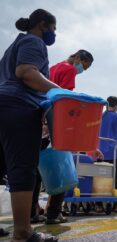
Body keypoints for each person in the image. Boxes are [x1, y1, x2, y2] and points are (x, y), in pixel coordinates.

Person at [0, 9, 59, 242]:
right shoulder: (33, 41)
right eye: (53, 29)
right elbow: (26, 73)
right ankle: (23, 233)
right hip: (19, 107)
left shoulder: (12, 47)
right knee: (23, 167)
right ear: (43, 26)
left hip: (3, 105)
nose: (54, 35)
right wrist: (59, 92)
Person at [36, 49, 94, 225]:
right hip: (56, 125)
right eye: (83, 66)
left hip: (41, 120)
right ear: (77, 58)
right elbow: (65, 99)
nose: (81, 70)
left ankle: (33, 211)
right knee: (61, 168)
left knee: (36, 171)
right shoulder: (69, 69)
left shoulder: (53, 67)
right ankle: (54, 213)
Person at [99, 96, 117, 212]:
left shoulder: (100, 116)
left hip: (101, 152)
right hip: (116, 152)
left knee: (101, 179)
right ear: (116, 106)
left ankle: (99, 205)